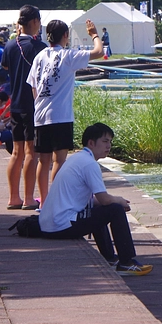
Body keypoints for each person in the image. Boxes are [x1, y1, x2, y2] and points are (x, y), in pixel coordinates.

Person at [35, 123, 152, 276]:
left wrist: (113, 201)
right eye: (105, 141)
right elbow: (104, 200)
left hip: (50, 224)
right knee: (115, 210)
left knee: (101, 211)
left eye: (110, 141)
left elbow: (92, 201)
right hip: (60, 225)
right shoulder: (89, 164)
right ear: (91, 142)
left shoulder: (77, 158)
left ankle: (110, 258)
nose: (108, 146)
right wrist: (119, 200)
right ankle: (126, 262)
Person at [28, 18, 105, 202]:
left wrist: (40, 104)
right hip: (60, 115)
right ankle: (56, 200)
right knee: (59, 161)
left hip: (40, 115)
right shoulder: (67, 56)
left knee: (43, 160)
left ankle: (44, 200)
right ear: (65, 36)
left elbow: (33, 87)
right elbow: (99, 52)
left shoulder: (39, 57)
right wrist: (94, 34)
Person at [2, 5, 46, 210]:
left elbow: (6, 68)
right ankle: (29, 198)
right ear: (35, 22)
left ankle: (14, 197)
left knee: (16, 152)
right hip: (31, 103)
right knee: (31, 152)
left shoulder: (10, 45)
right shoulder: (38, 47)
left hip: (15, 104)